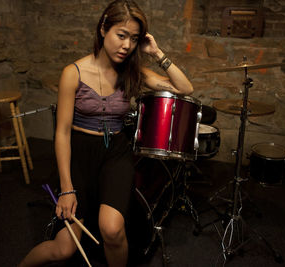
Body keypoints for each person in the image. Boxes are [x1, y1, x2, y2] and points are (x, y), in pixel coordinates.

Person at [19, 0, 193, 266]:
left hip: (116, 154)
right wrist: (67, 189)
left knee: (111, 229)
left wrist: (157, 53)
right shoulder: (72, 73)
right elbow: (62, 133)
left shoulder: (134, 72)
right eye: (121, 35)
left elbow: (185, 88)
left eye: (133, 39)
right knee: (63, 248)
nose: (127, 45)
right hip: (80, 156)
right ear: (103, 29)